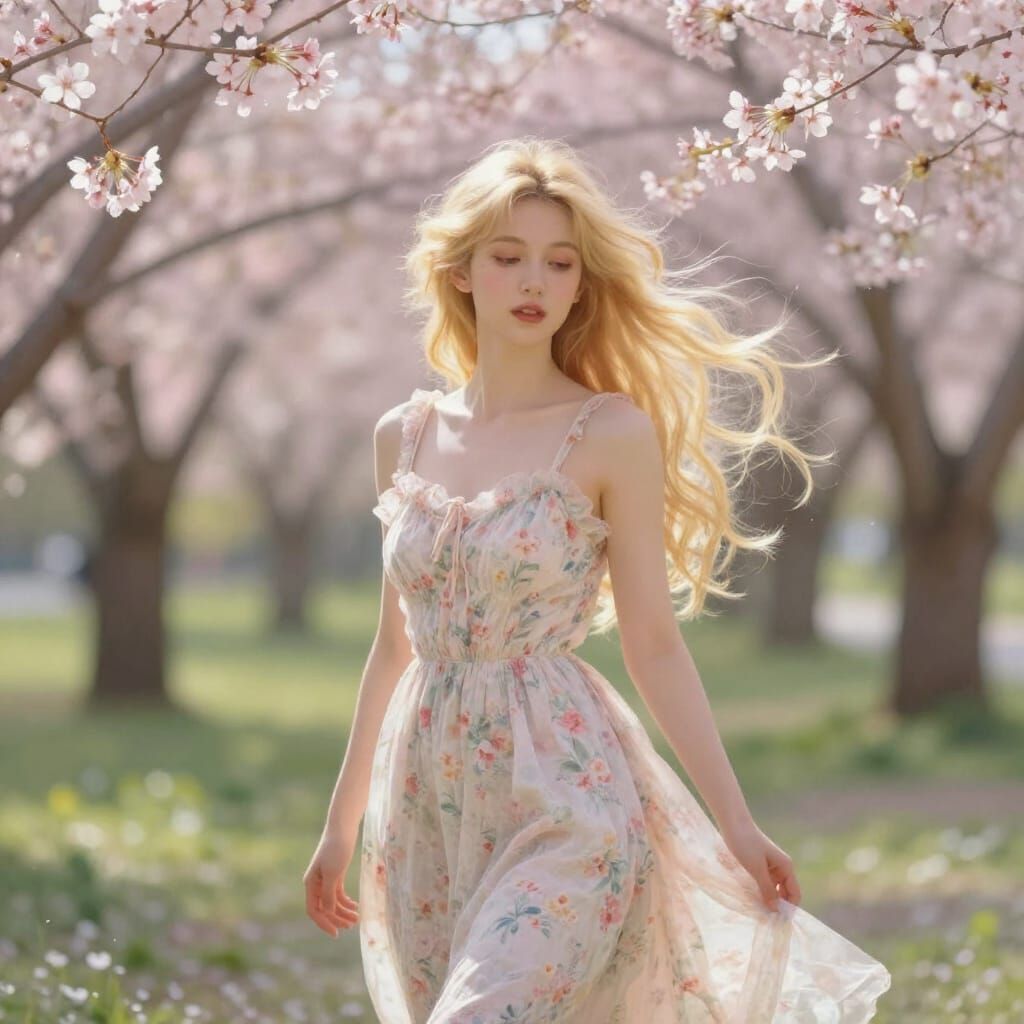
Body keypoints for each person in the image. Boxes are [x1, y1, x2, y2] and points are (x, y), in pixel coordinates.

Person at [303, 137, 892, 1022]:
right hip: (427, 801)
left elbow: (654, 643)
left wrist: (736, 824)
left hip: (569, 793)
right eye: (508, 258)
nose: (534, 281)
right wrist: (340, 827)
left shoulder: (609, 432)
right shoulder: (404, 435)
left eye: (559, 263)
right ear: (462, 272)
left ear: (583, 284)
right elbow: (393, 646)